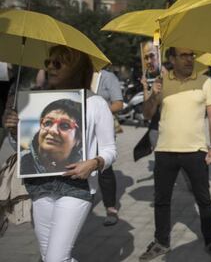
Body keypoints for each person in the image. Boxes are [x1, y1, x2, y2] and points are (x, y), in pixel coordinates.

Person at [4, 45, 117, 262]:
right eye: (48, 63)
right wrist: (14, 130)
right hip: (40, 186)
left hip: (76, 187)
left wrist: (94, 163)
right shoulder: (37, 101)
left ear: (76, 68)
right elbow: (26, 146)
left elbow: (110, 150)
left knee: (56, 258)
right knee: (48, 257)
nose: (50, 68)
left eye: (57, 63)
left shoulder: (96, 103)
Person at [140, 47, 211, 261]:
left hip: (195, 152)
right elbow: (147, 114)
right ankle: (161, 242)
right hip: (165, 151)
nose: (189, 59)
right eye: (183, 56)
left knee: (204, 201)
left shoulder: (205, 81)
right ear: (171, 59)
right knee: (161, 200)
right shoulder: (161, 80)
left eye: (191, 55)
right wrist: (153, 94)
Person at [20, 99, 82, 175]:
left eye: (65, 125)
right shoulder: (19, 163)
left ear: (78, 138)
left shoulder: (87, 167)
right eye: (48, 123)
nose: (53, 130)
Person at [96, 69, 124, 226]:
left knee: (104, 168)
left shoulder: (108, 77)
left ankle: (111, 207)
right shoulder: (77, 75)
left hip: (102, 129)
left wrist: (96, 113)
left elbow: (118, 104)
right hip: (79, 130)